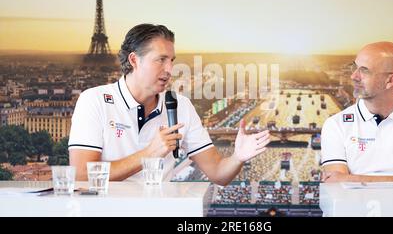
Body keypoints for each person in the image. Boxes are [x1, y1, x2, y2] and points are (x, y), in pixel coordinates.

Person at [68, 24, 270, 185]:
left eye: (172, 60)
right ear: (134, 60)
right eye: (161, 60)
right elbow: (81, 175)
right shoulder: (94, 101)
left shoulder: (181, 106)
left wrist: (238, 157)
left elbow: (218, 173)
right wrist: (149, 153)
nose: (169, 69)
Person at [321, 42, 393, 182]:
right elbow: (336, 184)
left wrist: (350, 179)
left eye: (364, 70)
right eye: (354, 68)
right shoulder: (335, 124)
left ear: (390, 80)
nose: (354, 76)